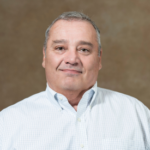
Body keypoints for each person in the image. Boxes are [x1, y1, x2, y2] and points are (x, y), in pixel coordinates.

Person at [0, 11, 150, 150]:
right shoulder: (7, 123)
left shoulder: (137, 115)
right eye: (60, 48)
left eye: (84, 49)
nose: (72, 59)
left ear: (99, 58)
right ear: (44, 56)